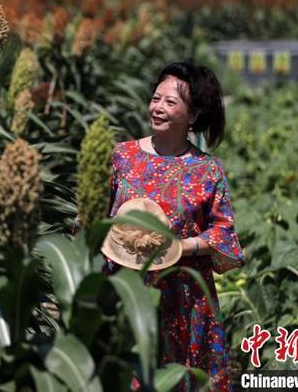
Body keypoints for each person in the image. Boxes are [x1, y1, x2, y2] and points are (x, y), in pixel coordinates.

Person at [105, 61, 245, 391]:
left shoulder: (207, 170)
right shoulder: (120, 157)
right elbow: (89, 219)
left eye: (170, 102)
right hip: (126, 295)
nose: (158, 108)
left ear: (193, 116)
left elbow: (225, 234)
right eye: (156, 98)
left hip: (184, 302)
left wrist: (182, 246)